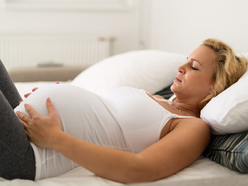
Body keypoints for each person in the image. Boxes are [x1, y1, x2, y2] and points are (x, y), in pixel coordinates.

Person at [0, 38, 247, 183]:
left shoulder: (194, 126)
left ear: (213, 88)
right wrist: (43, 104)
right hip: (23, 122)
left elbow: (138, 168)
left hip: (29, 154)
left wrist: (56, 138)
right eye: (185, 61)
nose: (181, 67)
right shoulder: (160, 98)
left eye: (193, 67)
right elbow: (100, 116)